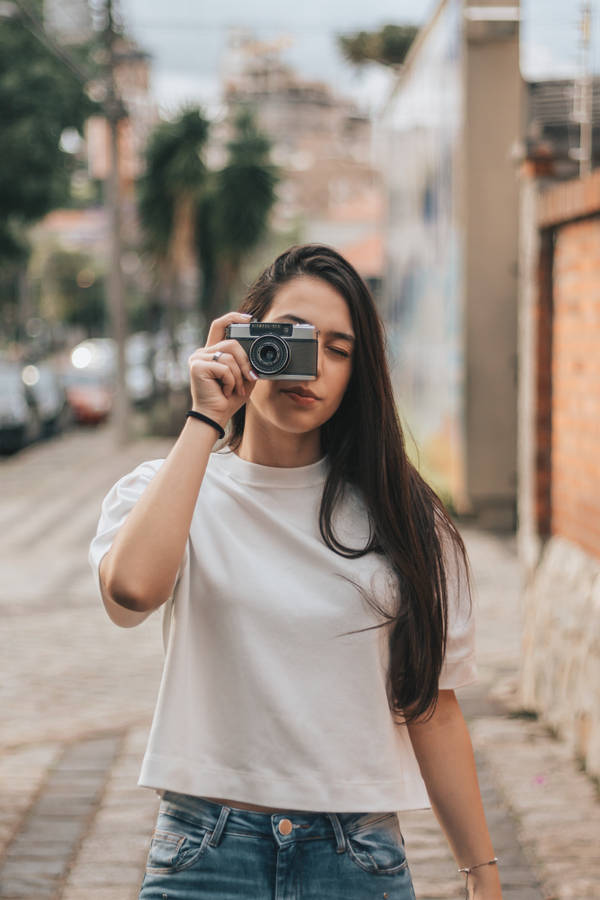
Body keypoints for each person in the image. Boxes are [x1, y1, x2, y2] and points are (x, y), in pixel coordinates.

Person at [89, 244, 502, 900]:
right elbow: (130, 593)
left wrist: (483, 876)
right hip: (206, 849)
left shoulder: (402, 516)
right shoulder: (168, 489)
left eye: (337, 349)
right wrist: (205, 418)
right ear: (243, 338)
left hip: (356, 854)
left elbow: (433, 708)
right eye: (289, 338)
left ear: (359, 371)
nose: (308, 367)